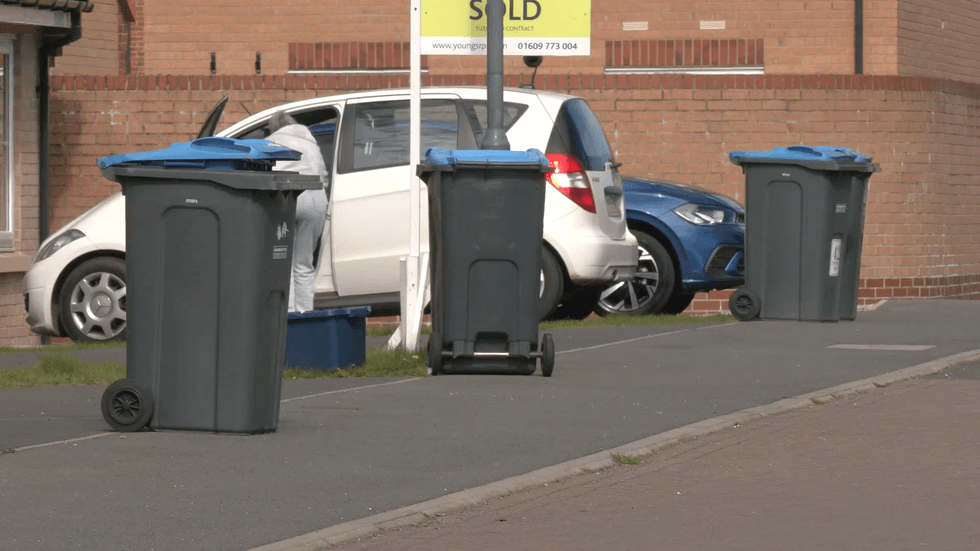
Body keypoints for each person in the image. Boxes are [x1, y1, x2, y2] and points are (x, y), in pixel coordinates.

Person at [266, 111, 329, 313]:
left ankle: (289, 316)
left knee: (285, 263)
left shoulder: (271, 141)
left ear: (274, 127)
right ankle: (306, 315)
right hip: (317, 199)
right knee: (304, 264)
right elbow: (324, 176)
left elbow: (268, 175)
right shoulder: (311, 143)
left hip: (289, 197)